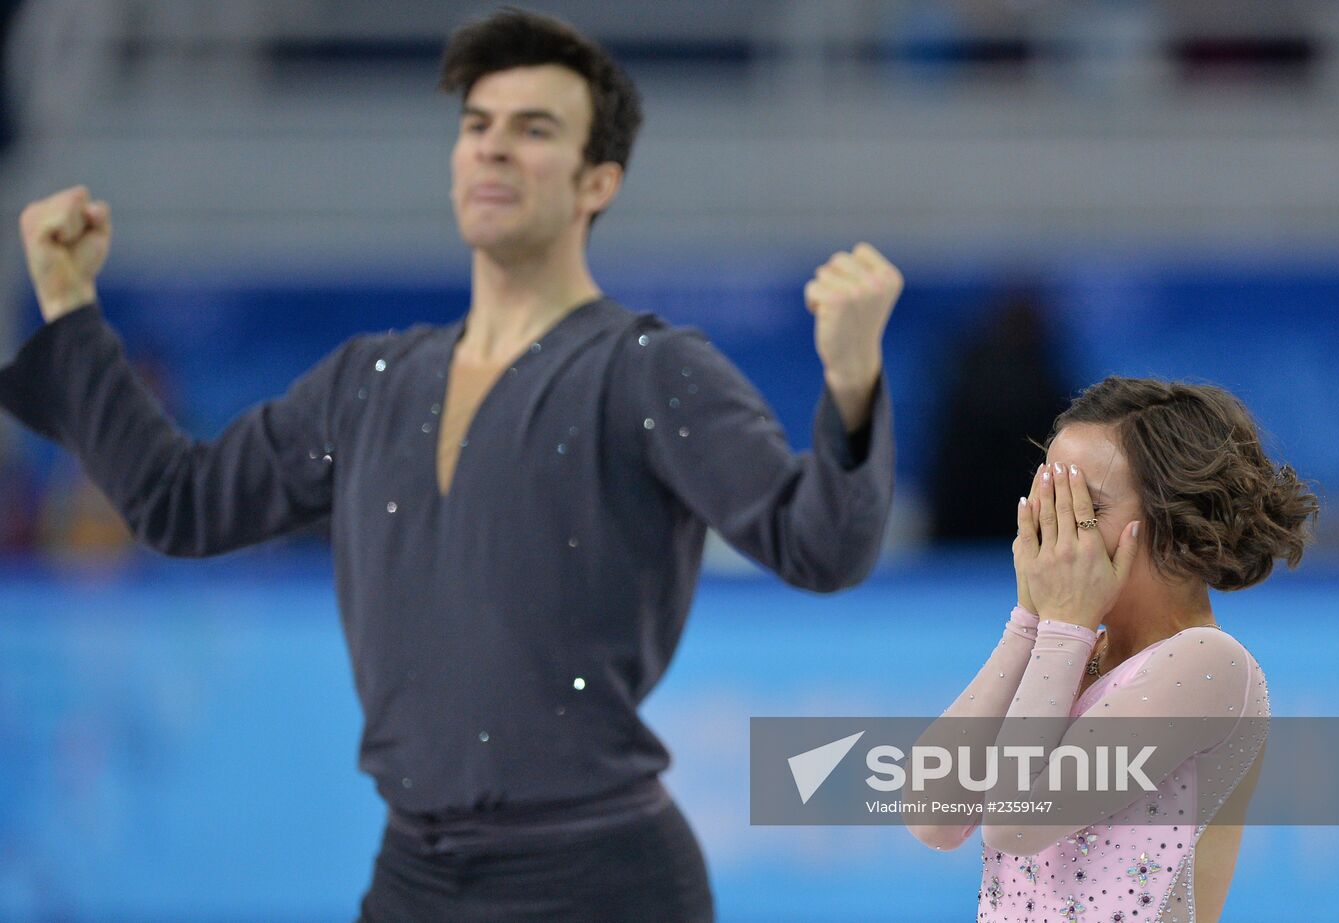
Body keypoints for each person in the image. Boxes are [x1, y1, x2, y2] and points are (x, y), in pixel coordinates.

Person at [0, 9, 901, 922]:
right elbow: (181, 503)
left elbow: (817, 544)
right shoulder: (369, 382)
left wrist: (854, 379)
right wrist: (71, 306)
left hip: (602, 881)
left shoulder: (647, 370)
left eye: (533, 129)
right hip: (414, 880)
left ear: (599, 181)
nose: (493, 150)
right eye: (477, 126)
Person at [906, 377, 1317, 923]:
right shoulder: (1071, 651)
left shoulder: (1208, 663)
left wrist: (1060, 628)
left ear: (1173, 521)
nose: (1052, 534)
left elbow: (1015, 820)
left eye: (1082, 510)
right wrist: (1028, 622)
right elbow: (932, 816)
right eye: (1046, 501)